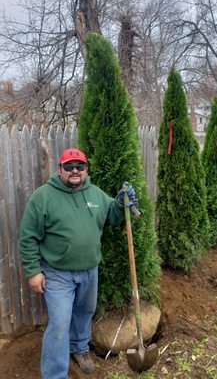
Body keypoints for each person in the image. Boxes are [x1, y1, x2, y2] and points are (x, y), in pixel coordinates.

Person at [18, 148, 137, 379]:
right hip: (56, 274)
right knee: (60, 324)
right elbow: (28, 235)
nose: (75, 170)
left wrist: (122, 203)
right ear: (59, 169)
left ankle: (80, 349)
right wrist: (33, 271)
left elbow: (111, 214)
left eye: (80, 166)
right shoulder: (43, 197)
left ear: (86, 169)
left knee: (84, 312)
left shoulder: (95, 194)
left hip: (90, 270)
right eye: (69, 166)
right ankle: (54, 374)